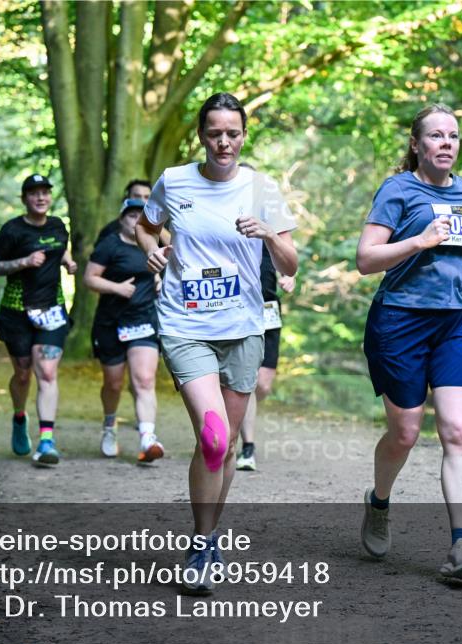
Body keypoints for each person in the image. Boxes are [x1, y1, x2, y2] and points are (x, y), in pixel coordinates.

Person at [137, 92, 298, 595]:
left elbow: (291, 264)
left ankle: (208, 538)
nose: (223, 142)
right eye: (214, 133)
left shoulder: (261, 188)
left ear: (243, 135)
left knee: (224, 447)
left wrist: (270, 235)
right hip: (186, 326)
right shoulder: (175, 180)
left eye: (232, 133)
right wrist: (155, 250)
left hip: (245, 328)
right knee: (213, 439)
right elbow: (147, 225)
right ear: (201, 136)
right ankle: (202, 544)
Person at [355, 104, 462, 582]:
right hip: (401, 321)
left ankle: (459, 548)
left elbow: (458, 256)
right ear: (416, 145)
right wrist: (417, 242)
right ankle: (379, 502)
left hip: (459, 320)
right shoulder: (397, 189)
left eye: (454, 136)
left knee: (458, 432)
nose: (447, 143)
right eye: (436, 136)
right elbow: (365, 259)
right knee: (405, 433)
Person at [0, 174, 77, 467]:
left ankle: (47, 441)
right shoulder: (12, 230)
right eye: (34, 193)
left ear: (50, 197)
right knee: (24, 374)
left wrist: (66, 261)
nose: (40, 198)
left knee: (48, 372)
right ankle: (18, 416)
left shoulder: (57, 225)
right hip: (17, 312)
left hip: (52, 310)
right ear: (24, 199)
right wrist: (24, 262)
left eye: (45, 193)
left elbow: (59, 247)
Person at [84, 198, 164, 462]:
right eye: (130, 215)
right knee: (114, 383)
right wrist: (116, 288)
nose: (135, 220)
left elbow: (175, 270)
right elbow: (89, 278)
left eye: (140, 215)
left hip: (143, 318)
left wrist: (161, 281)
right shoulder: (110, 244)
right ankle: (109, 426)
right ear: (121, 219)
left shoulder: (155, 245)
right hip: (110, 323)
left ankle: (147, 438)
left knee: (144, 379)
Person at [236, 248, 295, 471]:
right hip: (239, 311)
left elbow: (288, 264)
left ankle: (238, 410)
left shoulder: (269, 236)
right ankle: (248, 446)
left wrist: (290, 277)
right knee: (249, 382)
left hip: (269, 311)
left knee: (263, 384)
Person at [96, 179, 153, 244]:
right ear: (126, 198)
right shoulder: (111, 230)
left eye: (147, 197)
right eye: (137, 196)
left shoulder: (161, 227)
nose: (142, 201)